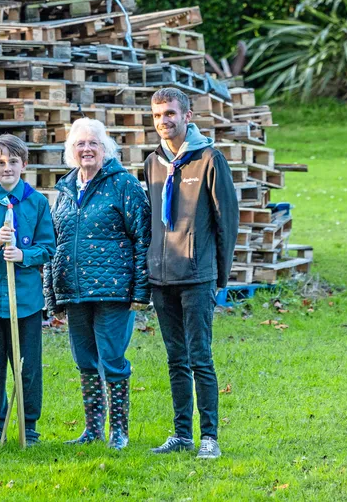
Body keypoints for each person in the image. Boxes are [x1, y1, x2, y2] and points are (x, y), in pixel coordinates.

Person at [45, 118, 151, 451]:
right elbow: (53, 243)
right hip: (73, 291)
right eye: (80, 144)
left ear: (106, 149)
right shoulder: (65, 190)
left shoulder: (124, 185)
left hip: (113, 291)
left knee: (112, 359)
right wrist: (53, 295)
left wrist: (141, 290)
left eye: (93, 143)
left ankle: (118, 431)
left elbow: (143, 238)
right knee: (85, 360)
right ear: (71, 151)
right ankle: (92, 429)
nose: (87, 149)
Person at [145, 88, 239, 460]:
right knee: (175, 359)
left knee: (200, 357)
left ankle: (209, 437)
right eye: (157, 115)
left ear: (187, 116)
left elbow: (226, 222)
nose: (163, 121)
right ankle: (182, 434)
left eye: (170, 113)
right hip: (161, 278)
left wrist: (219, 277)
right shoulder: (153, 162)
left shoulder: (210, 159)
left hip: (197, 276)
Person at [0, 134, 55, 447]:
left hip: (25, 299)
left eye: (13, 162)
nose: (7, 168)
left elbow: (48, 248)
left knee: (27, 367)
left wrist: (23, 255)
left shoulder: (37, 202)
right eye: (1, 162)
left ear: (24, 165)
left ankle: (29, 426)